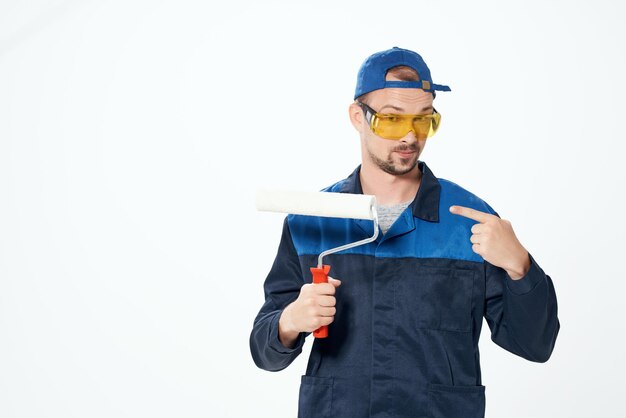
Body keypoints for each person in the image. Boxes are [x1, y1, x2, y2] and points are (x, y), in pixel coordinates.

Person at [250, 46, 560, 418]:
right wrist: (290, 322)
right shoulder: (313, 221)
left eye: (423, 120)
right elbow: (264, 352)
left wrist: (520, 267)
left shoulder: (470, 223)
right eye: (392, 120)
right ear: (357, 117)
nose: (410, 137)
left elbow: (535, 344)